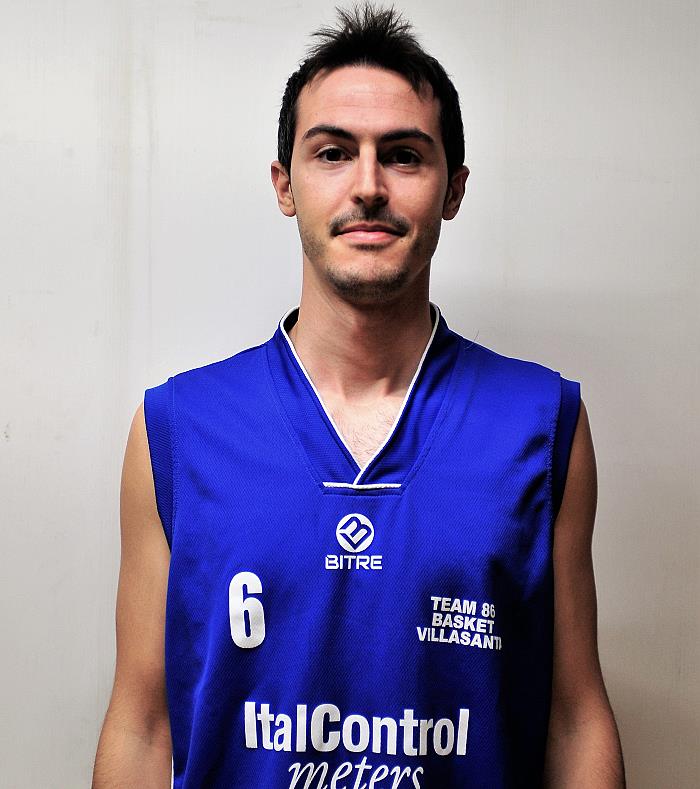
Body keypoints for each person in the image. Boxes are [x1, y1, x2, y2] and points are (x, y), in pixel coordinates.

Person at [92, 3, 626, 787]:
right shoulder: (177, 429)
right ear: (286, 184)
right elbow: (142, 723)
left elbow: (573, 718)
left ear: (453, 189)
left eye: (404, 156)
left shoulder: (542, 425)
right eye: (333, 152)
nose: (368, 186)